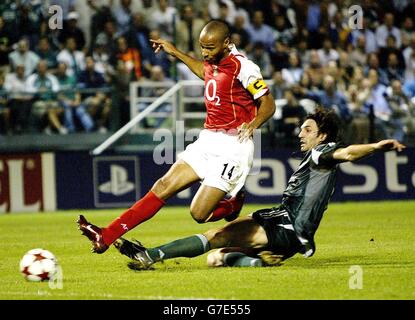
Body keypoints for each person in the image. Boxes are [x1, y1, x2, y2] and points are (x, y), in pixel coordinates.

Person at [111, 108, 405, 270]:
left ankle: (149, 255)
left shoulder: (322, 153)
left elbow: (349, 153)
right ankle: (259, 262)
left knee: (215, 236)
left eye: (307, 129)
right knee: (217, 257)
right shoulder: (314, 159)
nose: (300, 133)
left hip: (286, 227)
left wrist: (378, 146)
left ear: (323, 135)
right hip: (286, 231)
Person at [77, 19, 276, 254]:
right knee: (162, 186)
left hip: (234, 145)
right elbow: (204, 71)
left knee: (199, 214)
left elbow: (268, 104)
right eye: (202, 47)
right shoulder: (213, 61)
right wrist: (175, 52)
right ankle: (106, 235)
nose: (205, 53)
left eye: (210, 48)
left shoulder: (244, 67)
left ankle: (233, 203)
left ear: (227, 43)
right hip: (208, 139)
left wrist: (253, 124)